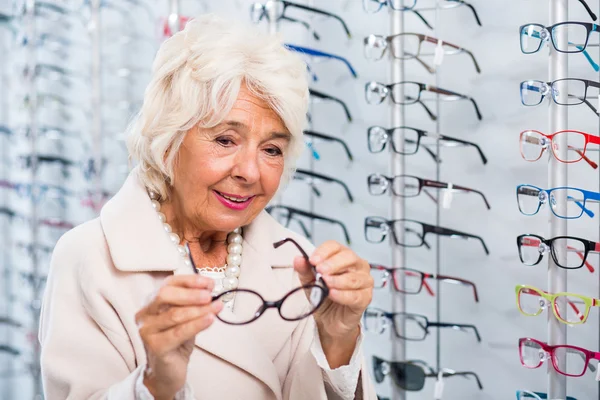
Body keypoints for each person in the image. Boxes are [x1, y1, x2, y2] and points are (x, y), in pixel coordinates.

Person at [38, 14, 376, 400]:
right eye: (226, 140)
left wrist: (337, 342)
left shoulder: (295, 264)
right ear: (169, 140)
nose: (250, 172)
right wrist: (154, 384)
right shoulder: (90, 258)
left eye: (271, 149)